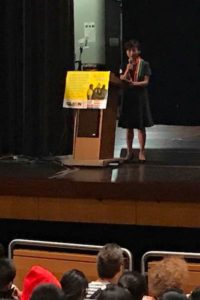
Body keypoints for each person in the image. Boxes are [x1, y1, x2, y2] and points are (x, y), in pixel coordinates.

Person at [118, 39, 153, 162]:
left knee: (140, 126)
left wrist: (134, 84)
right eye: (128, 50)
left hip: (139, 97)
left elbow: (146, 81)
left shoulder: (144, 64)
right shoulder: (124, 64)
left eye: (133, 50)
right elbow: (121, 78)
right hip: (128, 97)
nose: (131, 52)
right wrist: (128, 68)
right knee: (129, 126)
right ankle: (129, 152)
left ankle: (142, 152)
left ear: (138, 51)